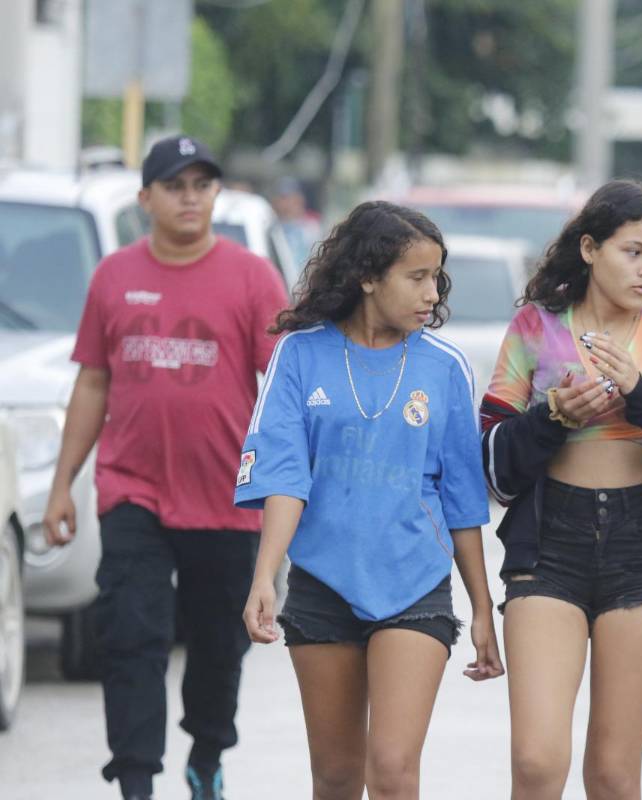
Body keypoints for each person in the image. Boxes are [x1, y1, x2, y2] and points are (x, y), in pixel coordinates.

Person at [42, 135, 290, 800]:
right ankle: (135, 780)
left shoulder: (250, 277)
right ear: (146, 198)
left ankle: (207, 753)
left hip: (226, 499)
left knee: (217, 646)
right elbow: (93, 384)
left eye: (202, 185)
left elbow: (289, 384)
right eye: (175, 186)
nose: (189, 197)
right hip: (133, 492)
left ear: (216, 195)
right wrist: (63, 485)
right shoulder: (114, 277)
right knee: (131, 638)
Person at [237, 201, 504, 800]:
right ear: (367, 277)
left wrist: (482, 607)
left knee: (391, 771)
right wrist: (264, 578)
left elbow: (463, 503)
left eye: (437, 277)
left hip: (414, 587)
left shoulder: (446, 369)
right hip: (323, 585)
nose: (432, 293)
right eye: (416, 277)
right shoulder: (300, 356)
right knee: (335, 777)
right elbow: (285, 477)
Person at [479, 179, 642, 799]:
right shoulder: (536, 328)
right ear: (590, 248)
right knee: (537, 762)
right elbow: (490, 460)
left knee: (614, 774)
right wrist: (553, 416)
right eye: (633, 251)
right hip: (550, 547)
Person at [272, 176, 323, 263]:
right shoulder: (271, 227)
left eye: (290, 198)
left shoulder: (312, 227)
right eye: (282, 198)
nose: (286, 203)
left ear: (300, 199)